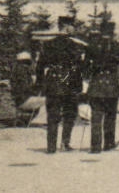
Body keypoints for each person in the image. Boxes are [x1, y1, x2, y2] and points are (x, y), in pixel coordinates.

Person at [37, 16, 89, 154]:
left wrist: (40, 84)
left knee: (52, 116)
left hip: (53, 83)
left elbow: (40, 66)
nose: (74, 29)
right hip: (71, 83)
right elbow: (81, 66)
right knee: (70, 114)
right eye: (72, 26)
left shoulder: (47, 45)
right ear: (66, 27)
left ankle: (51, 147)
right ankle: (65, 143)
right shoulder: (76, 45)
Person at [84, 20, 119, 154]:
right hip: (111, 86)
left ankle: (95, 146)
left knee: (96, 117)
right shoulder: (117, 47)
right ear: (112, 32)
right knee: (110, 116)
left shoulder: (91, 47)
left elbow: (85, 69)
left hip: (96, 85)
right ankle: (109, 143)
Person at [7, 50, 36, 127]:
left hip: (20, 97)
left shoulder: (17, 70)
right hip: (23, 97)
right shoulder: (21, 71)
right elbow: (25, 86)